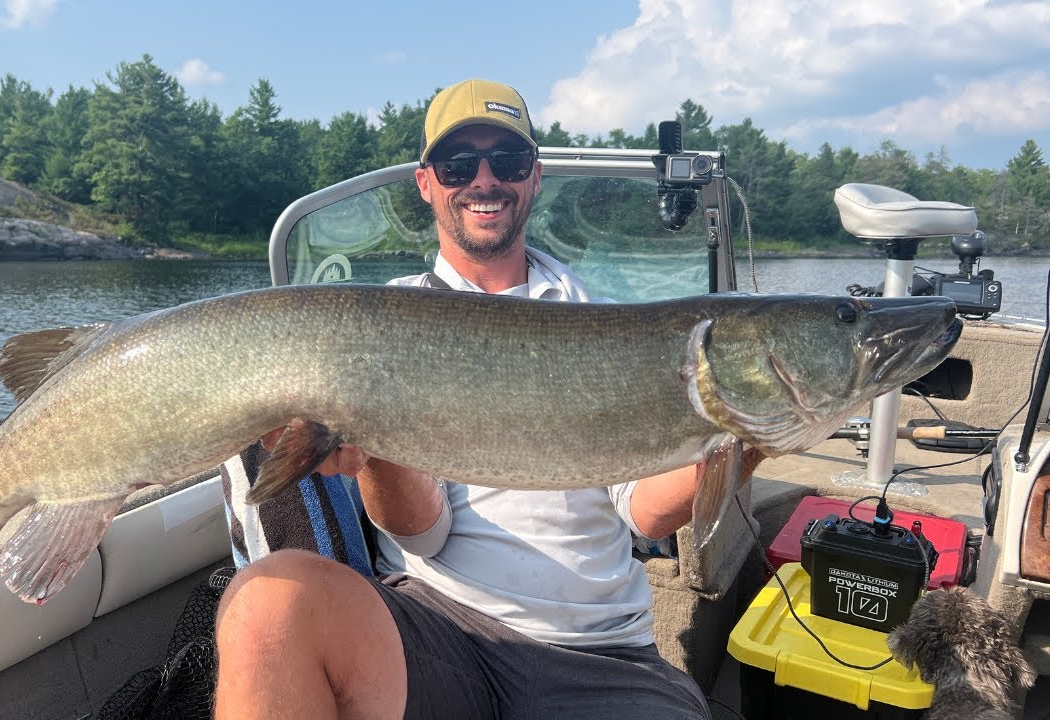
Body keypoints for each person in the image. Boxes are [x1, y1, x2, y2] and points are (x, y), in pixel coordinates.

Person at [213, 78, 710, 719]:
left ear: (533, 178)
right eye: (458, 164)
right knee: (265, 604)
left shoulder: (605, 322)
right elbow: (421, 534)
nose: (484, 180)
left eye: (507, 160)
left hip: (602, 655)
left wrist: (742, 436)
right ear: (427, 183)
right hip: (439, 630)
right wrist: (367, 433)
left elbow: (642, 516)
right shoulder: (381, 318)